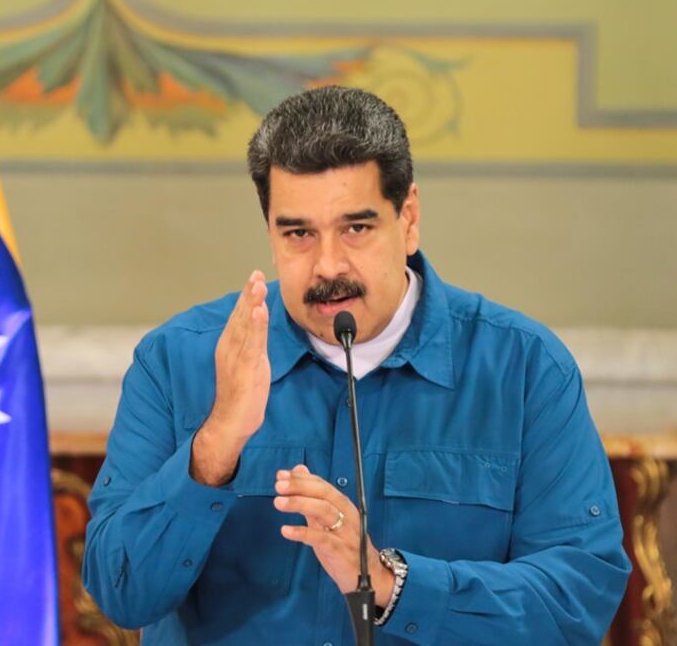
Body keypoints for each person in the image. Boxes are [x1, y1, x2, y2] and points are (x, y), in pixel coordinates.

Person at [81, 85, 631, 644]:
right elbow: (121, 594)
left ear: (408, 218)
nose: (328, 266)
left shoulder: (525, 369)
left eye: (356, 228)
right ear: (269, 232)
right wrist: (215, 447)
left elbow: (577, 601)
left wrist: (391, 584)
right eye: (299, 233)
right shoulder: (177, 361)